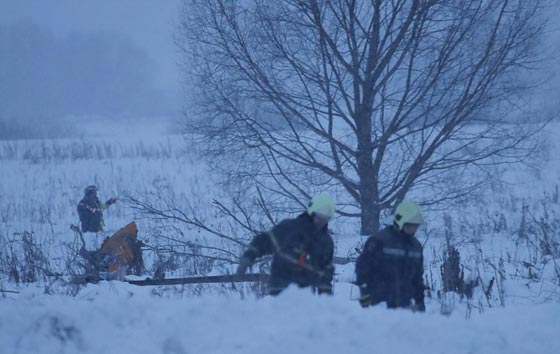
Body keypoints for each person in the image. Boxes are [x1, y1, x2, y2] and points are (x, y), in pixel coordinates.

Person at [236, 193, 336, 296]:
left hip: (305, 296)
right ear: (311, 213)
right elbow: (264, 241)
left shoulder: (326, 242)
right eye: (320, 216)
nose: (322, 221)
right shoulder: (290, 229)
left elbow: (325, 272)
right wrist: (247, 258)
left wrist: (325, 297)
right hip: (279, 289)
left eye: (326, 218)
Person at [355, 200, 425, 311]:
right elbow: (362, 270)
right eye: (410, 225)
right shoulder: (378, 241)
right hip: (378, 305)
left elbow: (417, 277)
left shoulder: (416, 247)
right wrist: (364, 298)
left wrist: (420, 301)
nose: (413, 229)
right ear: (400, 222)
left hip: (404, 305)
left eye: (416, 226)